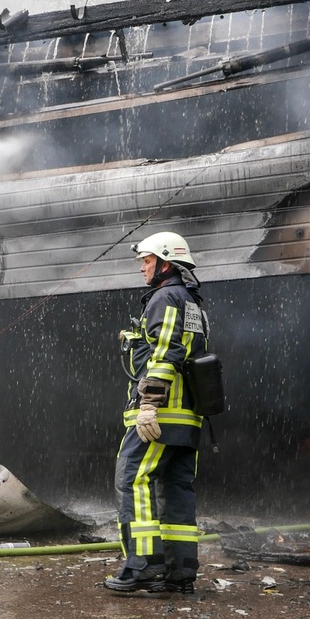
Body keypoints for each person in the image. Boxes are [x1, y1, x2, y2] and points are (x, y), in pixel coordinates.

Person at [104, 231, 208, 597]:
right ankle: (180, 573)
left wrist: (148, 404)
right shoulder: (192, 301)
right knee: (176, 489)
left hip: (159, 415)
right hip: (187, 415)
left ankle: (143, 566)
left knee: (133, 480)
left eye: (147, 261)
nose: (143, 268)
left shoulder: (165, 296)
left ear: (165, 262)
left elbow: (166, 353)